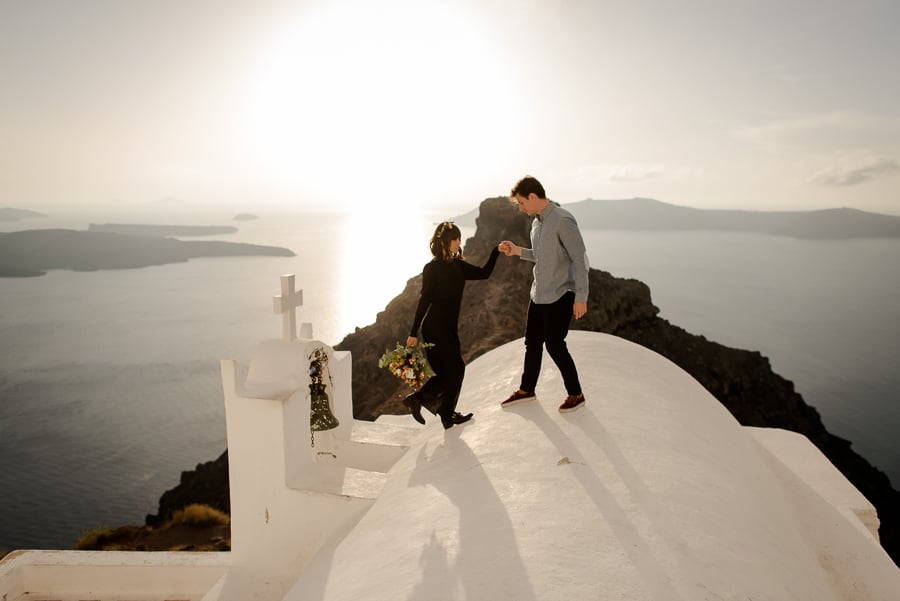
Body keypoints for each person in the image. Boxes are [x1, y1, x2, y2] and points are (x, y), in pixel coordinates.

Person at [499, 175, 589, 412]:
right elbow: (540, 257)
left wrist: (581, 297)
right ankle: (527, 390)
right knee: (532, 343)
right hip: (539, 293)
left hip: (561, 294)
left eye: (521, 203)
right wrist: (517, 251)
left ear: (532, 196)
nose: (521, 208)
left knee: (555, 344)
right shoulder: (537, 223)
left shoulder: (563, 220)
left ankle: (576, 394)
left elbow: (580, 260)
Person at [405, 221, 501, 429]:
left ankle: (432, 406)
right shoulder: (431, 269)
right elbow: (425, 301)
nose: (458, 242)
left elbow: (485, 273)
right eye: (454, 239)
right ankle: (439, 410)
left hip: (448, 328)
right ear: (444, 242)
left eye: (459, 238)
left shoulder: (459, 266)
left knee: (451, 372)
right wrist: (413, 333)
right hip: (434, 327)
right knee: (456, 369)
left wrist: (496, 251)